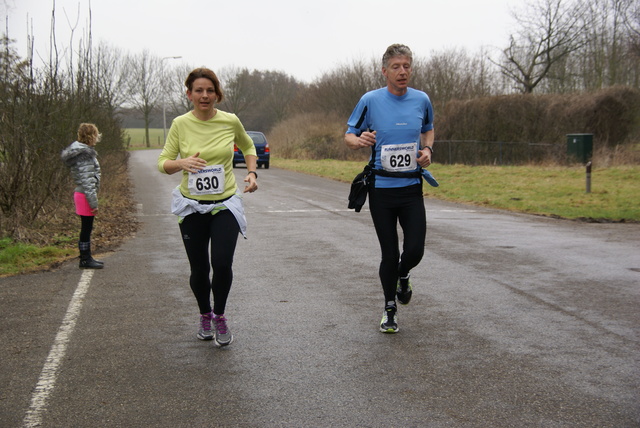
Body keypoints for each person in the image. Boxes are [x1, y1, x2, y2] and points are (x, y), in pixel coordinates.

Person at [157, 67, 258, 347]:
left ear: (217, 94)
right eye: (198, 90)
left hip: (225, 203)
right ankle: (205, 313)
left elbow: (249, 147)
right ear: (189, 94)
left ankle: (221, 316)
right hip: (192, 206)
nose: (205, 95)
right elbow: (163, 162)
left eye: (210, 90)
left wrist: (251, 174)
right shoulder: (180, 124)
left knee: (222, 263)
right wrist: (181, 163)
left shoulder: (230, 121)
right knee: (199, 269)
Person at [344, 44, 434, 334]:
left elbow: (428, 128)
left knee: (416, 249)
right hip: (381, 190)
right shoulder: (370, 100)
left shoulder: (421, 99)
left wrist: (428, 148)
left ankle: (403, 275)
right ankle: (389, 309)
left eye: (406, 65)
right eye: (396, 66)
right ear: (385, 71)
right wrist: (358, 141)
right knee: (389, 253)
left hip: (411, 188)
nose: (402, 71)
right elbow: (348, 134)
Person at [61, 123, 104, 269]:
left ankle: (86, 257)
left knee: (86, 228)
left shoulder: (80, 152)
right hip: (85, 195)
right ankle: (85, 259)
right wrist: (94, 203)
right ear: (91, 136)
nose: (97, 138)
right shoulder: (85, 155)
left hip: (82, 194)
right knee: (86, 228)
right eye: (96, 134)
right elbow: (87, 181)